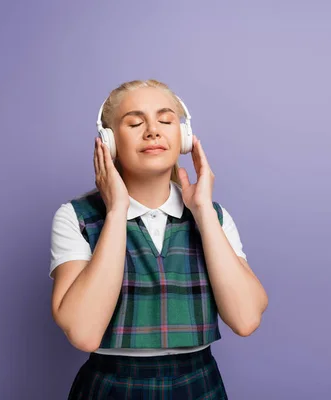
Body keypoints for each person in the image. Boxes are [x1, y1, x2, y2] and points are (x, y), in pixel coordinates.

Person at [50, 79, 268, 399]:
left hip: (199, 382)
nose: (153, 130)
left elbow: (246, 319)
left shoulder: (214, 216)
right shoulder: (76, 216)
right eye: (135, 122)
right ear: (108, 142)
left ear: (183, 137)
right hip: (112, 385)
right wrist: (116, 212)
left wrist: (203, 211)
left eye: (166, 120)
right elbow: (83, 333)